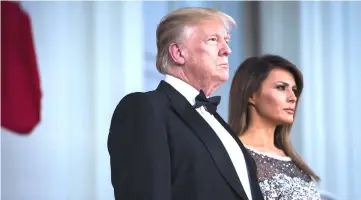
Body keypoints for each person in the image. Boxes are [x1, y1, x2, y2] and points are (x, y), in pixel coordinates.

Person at [107, 7, 264, 200]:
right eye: (213, 40)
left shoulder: (214, 119)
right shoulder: (144, 109)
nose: (227, 50)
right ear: (178, 53)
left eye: (227, 40)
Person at [228, 54, 321, 199]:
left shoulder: (295, 160)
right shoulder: (230, 153)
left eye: (294, 90)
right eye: (281, 87)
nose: (293, 98)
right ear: (251, 95)